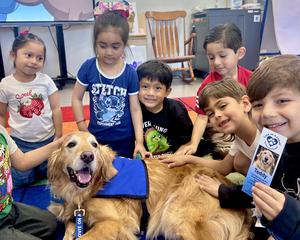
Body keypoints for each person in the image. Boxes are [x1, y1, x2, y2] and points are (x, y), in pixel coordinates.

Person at [198, 55, 300, 240]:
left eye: (282, 101)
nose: (267, 113)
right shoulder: (271, 144)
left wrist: (289, 223)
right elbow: (255, 189)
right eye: (259, 104)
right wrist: (222, 191)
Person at [72, 10, 147, 159]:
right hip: (96, 139)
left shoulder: (129, 73)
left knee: (122, 176)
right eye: (103, 46)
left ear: (124, 45)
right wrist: (82, 127)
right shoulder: (89, 67)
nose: (108, 52)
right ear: (95, 43)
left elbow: (135, 109)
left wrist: (139, 141)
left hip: (124, 139)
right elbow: (76, 98)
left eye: (115, 46)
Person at [177, 23, 252, 156]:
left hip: (246, 126)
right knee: (219, 142)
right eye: (211, 57)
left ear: (240, 53)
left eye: (222, 56)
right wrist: (194, 143)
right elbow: (201, 117)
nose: (216, 62)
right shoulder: (206, 86)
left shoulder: (251, 79)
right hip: (222, 128)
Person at [160, 80, 259, 177]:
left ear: (245, 104)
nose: (217, 115)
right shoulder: (239, 136)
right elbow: (224, 167)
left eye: (223, 106)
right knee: (239, 161)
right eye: (210, 113)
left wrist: (221, 190)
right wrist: (187, 159)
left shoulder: (265, 134)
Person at [0, 32, 62, 187]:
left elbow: (56, 109)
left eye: (39, 58)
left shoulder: (45, 81)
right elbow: (1, 115)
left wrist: (59, 135)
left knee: (54, 174)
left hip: (48, 140)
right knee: (21, 181)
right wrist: (4, 143)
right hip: (21, 144)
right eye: (28, 55)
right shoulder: (6, 84)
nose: (34, 61)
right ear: (13, 55)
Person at [0, 124, 64, 239]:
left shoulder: (1, 132)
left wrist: (58, 144)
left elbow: (22, 161)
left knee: (51, 223)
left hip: (8, 209)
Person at [137, 60, 194, 157]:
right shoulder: (135, 110)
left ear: (167, 91)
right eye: (145, 86)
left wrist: (176, 157)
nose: (150, 93)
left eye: (158, 88)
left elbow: (188, 140)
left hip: (173, 157)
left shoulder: (177, 110)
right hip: (147, 160)